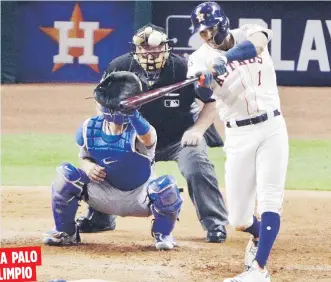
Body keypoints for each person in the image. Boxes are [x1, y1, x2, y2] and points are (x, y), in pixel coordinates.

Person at [76, 23, 228, 243]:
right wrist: (114, 129)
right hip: (136, 140)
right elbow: (103, 102)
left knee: (197, 165)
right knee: (108, 154)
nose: (151, 51)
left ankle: (215, 224)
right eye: (145, 47)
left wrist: (197, 130)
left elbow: (210, 103)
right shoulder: (120, 66)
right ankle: (101, 217)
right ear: (136, 49)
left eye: (156, 47)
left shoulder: (181, 68)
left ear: (165, 47)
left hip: (178, 138)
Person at [188, 2, 289, 282]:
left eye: (209, 30)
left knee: (270, 198)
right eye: (201, 32)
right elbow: (202, 94)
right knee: (239, 220)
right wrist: (204, 82)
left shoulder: (248, 32)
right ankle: (257, 235)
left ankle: (258, 270)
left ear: (222, 23)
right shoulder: (198, 58)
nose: (206, 36)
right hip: (238, 135)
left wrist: (227, 59)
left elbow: (257, 45)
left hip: (272, 128)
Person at [42, 71, 183, 250]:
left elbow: (148, 139)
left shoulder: (141, 130)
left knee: (166, 186)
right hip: (102, 194)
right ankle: (65, 231)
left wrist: (133, 114)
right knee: (65, 174)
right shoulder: (89, 127)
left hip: (138, 197)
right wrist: (89, 166)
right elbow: (83, 157)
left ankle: (163, 234)